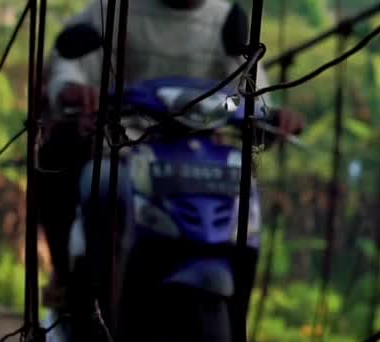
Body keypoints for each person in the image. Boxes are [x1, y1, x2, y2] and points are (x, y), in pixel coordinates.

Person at [35, 0, 304, 306]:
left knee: (242, 209)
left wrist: (265, 116)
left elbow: (246, 96)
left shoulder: (226, 20)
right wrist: (72, 89)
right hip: (123, 149)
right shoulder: (114, 10)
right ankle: (74, 285)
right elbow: (68, 62)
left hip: (198, 160)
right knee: (95, 187)